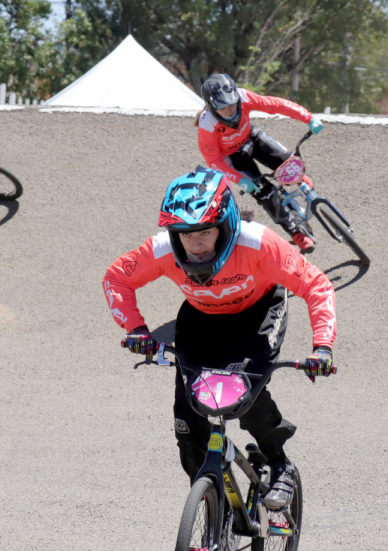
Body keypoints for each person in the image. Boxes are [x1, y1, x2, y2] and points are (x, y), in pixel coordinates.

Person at [103, 167, 336, 509]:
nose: (195, 245)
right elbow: (116, 279)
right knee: (188, 421)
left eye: (205, 232)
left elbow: (316, 285)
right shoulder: (163, 249)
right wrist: (137, 330)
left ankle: (279, 463)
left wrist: (323, 347)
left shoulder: (259, 243)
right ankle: (213, 504)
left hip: (258, 313)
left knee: (244, 393)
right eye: (185, 234)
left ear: (225, 225)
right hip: (202, 319)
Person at [197, 72, 324, 254]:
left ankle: (300, 179)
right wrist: (240, 180)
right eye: (223, 108)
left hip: (252, 137)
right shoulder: (207, 124)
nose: (230, 110)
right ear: (211, 106)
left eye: (232, 105)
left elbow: (277, 105)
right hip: (233, 158)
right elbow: (213, 160)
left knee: (288, 161)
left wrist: (309, 118)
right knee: (265, 194)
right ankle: (296, 232)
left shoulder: (243, 97)